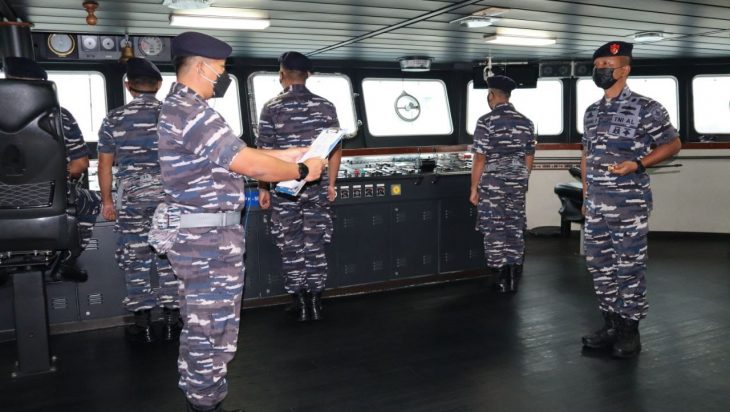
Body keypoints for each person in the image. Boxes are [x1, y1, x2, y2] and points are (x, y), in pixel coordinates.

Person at [157, 32, 326, 412]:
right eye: (220, 70)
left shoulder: (187, 108)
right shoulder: (190, 111)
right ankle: (204, 403)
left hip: (205, 236)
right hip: (206, 240)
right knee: (209, 327)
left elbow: (237, 152)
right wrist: (301, 169)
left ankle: (206, 398)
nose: (221, 77)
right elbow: (248, 164)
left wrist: (289, 154)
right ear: (202, 67)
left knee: (209, 323)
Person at [580, 41, 681, 359]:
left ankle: (629, 330)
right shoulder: (592, 111)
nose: (600, 70)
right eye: (597, 66)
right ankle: (611, 324)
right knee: (599, 265)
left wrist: (638, 164)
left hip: (628, 204)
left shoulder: (647, 107)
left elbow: (673, 144)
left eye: (607, 66)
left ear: (624, 70)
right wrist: (586, 194)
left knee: (629, 266)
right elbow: (586, 155)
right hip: (596, 203)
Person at [97, 57, 180, 344]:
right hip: (168, 197)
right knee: (168, 254)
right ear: (159, 85)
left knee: (135, 258)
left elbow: (105, 165)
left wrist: (107, 202)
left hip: (131, 198)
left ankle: (142, 322)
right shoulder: (173, 116)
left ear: (127, 85)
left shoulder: (114, 118)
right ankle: (171, 319)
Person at [255, 51, 341, 322]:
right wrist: (331, 184)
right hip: (316, 186)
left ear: (281, 75)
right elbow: (335, 150)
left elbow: (263, 154)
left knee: (290, 244)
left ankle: (300, 302)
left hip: (284, 188)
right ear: (308, 75)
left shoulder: (271, 107)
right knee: (315, 243)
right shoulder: (326, 106)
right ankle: (315, 301)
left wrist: (263, 188)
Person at [3, 56, 101, 281]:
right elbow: (80, 164)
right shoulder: (59, 116)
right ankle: (68, 260)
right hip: (49, 199)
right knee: (93, 201)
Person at [469, 75, 535, 294]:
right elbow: (529, 157)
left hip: (493, 183)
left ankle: (499, 279)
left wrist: (474, 188)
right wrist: (522, 179)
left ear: (491, 95)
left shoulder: (485, 121)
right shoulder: (526, 122)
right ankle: (513, 277)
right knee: (514, 227)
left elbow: (480, 158)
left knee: (494, 227)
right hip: (517, 182)